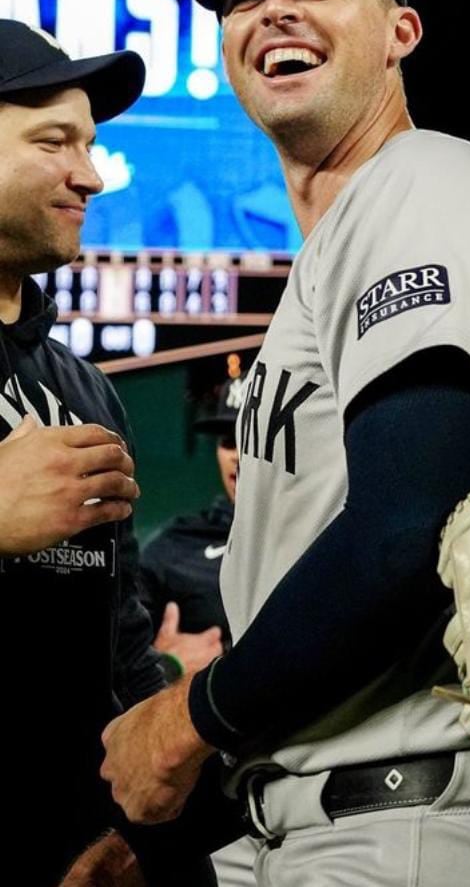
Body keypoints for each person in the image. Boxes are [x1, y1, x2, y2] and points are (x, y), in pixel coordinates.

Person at [100, 0, 470, 885]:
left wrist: (187, 721)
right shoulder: (342, 248)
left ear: (400, 31)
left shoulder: (422, 184)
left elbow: (405, 530)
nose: (274, 8)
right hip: (350, 815)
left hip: (430, 821)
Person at [0, 21, 218, 885]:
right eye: (53, 142)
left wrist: (139, 829)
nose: (91, 174)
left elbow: (117, 643)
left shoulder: (84, 390)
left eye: (90, 145)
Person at [138, 365, 259, 886]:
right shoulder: (173, 548)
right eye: (225, 440)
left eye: (247, 435)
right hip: (220, 799)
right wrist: (160, 661)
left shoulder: (330, 529)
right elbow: (120, 662)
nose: (234, 454)